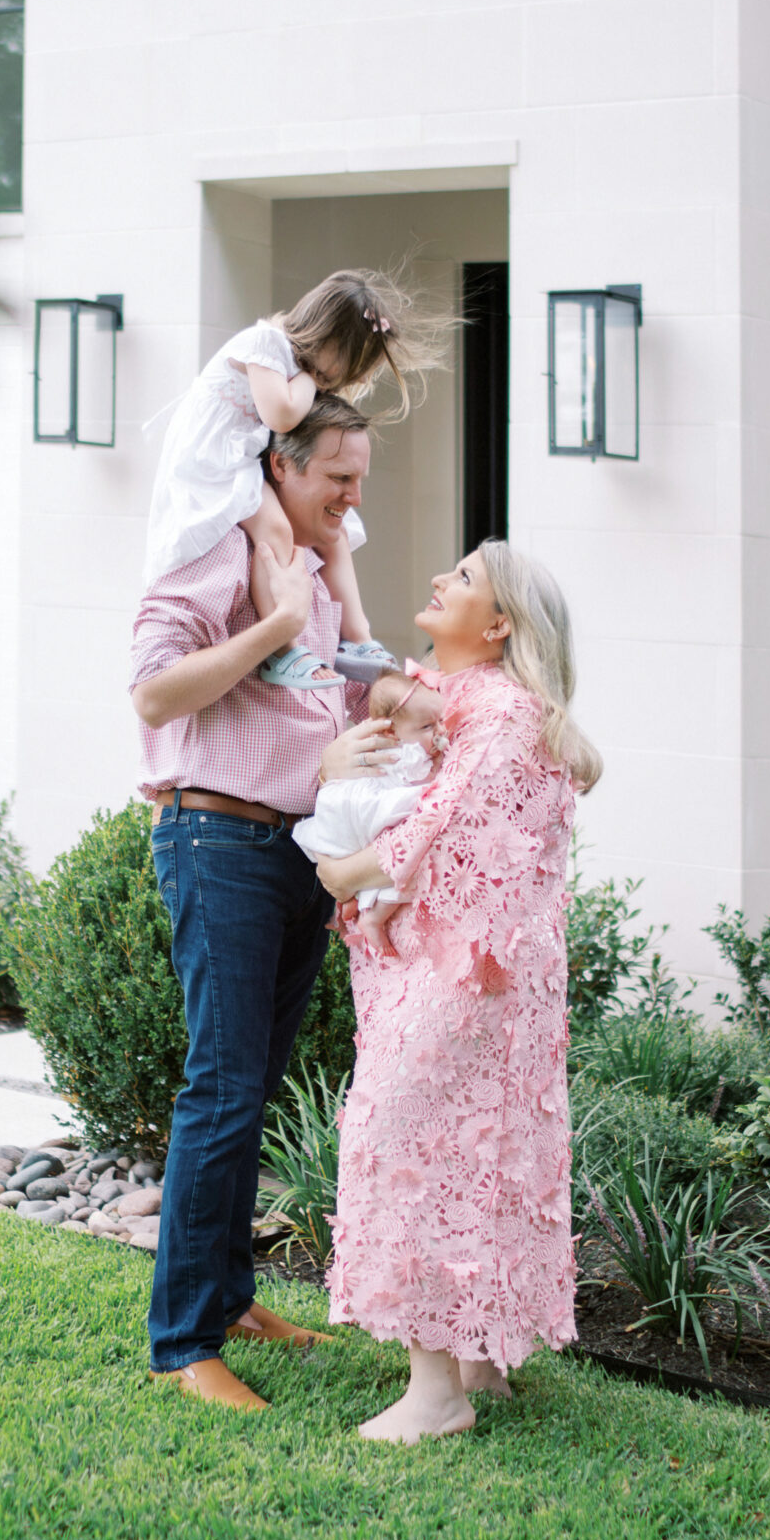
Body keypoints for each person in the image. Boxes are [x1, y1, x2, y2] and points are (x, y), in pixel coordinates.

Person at [129, 394, 398, 1414]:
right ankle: (185, 1339)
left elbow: (331, 698)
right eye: (337, 478)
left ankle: (234, 1299)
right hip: (220, 841)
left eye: (360, 478)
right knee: (223, 1089)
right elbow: (154, 693)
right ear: (277, 466)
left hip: (294, 851)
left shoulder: (318, 570)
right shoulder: (211, 557)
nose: (351, 497)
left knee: (255, 1085)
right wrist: (279, 623)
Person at [314, 539, 602, 1443]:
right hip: (479, 971)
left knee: (408, 1141)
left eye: (464, 578)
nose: (440, 579)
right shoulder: (480, 706)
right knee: (480, 1150)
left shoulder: (504, 715)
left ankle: (437, 1394)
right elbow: (412, 738)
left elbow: (442, 825)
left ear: (500, 623)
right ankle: (482, 1355)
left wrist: (339, 871)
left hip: (463, 972)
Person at [141, 269, 447, 687]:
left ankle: (358, 639)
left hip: (245, 456)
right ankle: (282, 650)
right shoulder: (265, 342)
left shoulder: (297, 367)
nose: (337, 384)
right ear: (326, 337)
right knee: (274, 529)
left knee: (335, 536)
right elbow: (281, 414)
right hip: (214, 462)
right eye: (339, 371)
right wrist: (309, 378)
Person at [292, 668, 446, 952]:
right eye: (427, 727)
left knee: (371, 869)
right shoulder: (404, 751)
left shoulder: (401, 740)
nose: (438, 732)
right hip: (367, 812)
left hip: (355, 812)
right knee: (404, 870)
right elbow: (421, 779)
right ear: (391, 731)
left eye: (440, 722)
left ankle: (348, 910)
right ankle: (373, 918)